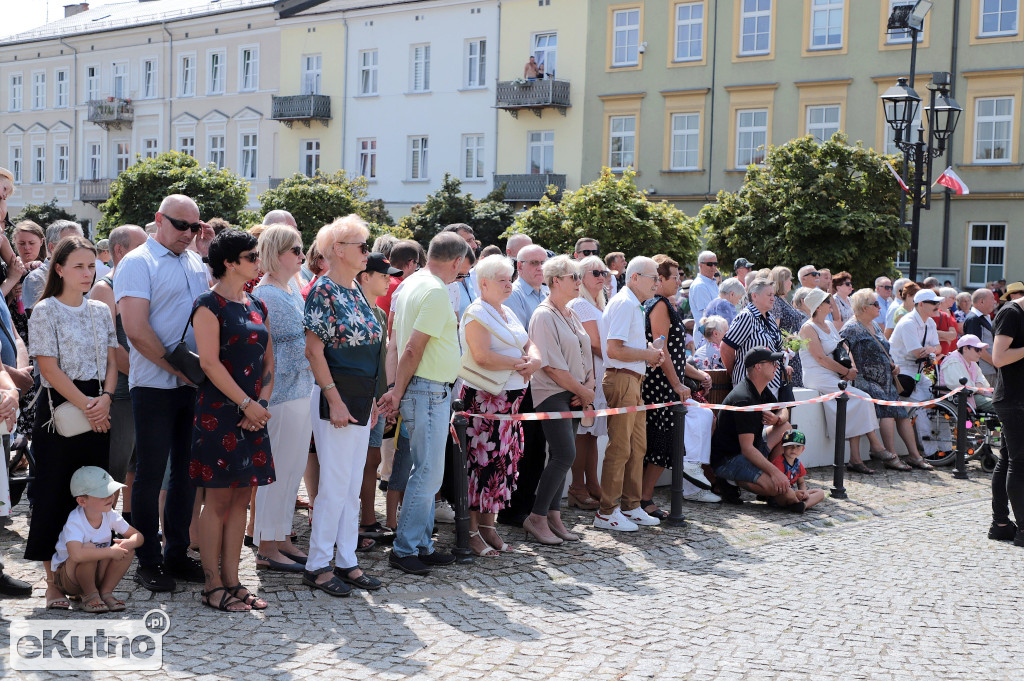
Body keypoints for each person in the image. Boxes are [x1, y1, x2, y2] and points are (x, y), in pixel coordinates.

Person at [114, 194, 214, 592]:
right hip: (155, 383)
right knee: (151, 473)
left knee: (188, 473)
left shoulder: (193, 260)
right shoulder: (138, 262)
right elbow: (135, 330)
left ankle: (176, 553)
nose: (188, 234)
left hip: (190, 381)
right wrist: (180, 369)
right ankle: (148, 559)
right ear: (158, 220)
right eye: (180, 225)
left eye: (195, 227)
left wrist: (195, 371)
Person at [26, 235, 119, 610]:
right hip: (60, 410)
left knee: (95, 493)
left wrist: (107, 399)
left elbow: (113, 361)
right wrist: (88, 406)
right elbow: (47, 366)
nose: (87, 272)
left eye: (91, 265)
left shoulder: (99, 310)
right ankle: (52, 583)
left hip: (99, 403)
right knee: (53, 495)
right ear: (59, 269)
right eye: (78, 266)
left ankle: (89, 579)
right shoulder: (44, 310)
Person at [191, 229, 275, 611]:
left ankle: (233, 579)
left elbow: (269, 360)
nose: (258, 261)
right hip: (220, 414)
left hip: (253, 412)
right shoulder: (208, 305)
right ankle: (212, 585)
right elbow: (208, 363)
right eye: (251, 256)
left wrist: (260, 403)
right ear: (229, 262)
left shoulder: (256, 303)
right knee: (219, 499)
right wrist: (245, 404)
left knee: (242, 496)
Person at [301, 216, 385, 594]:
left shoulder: (353, 291)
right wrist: (333, 399)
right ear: (338, 250)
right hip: (337, 396)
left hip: (360, 398)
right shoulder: (323, 290)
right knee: (334, 486)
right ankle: (318, 563)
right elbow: (314, 350)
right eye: (362, 246)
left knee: (351, 487)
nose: (368, 253)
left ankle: (347, 560)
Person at [378, 232, 466, 575]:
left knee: (425, 471)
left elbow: (397, 343)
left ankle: (422, 543)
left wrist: (396, 388)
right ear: (457, 262)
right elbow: (412, 347)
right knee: (427, 474)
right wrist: (397, 392)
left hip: (424, 389)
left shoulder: (412, 284)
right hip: (427, 390)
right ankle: (405, 548)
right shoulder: (434, 290)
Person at [459, 254, 541, 555]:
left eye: (510, 279)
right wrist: (519, 363)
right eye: (502, 280)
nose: (509, 285)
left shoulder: (506, 310)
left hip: (509, 403)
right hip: (485, 402)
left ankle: (488, 527)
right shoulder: (476, 312)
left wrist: (535, 359)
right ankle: (469, 531)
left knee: (501, 466)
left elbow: (528, 341)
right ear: (483, 283)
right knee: (480, 467)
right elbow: (480, 355)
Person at [251, 225, 315, 572]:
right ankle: (265, 545)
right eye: (295, 250)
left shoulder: (292, 289)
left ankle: (282, 537)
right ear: (276, 254)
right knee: (275, 472)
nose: (302, 256)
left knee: (291, 472)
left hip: (302, 388)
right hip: (280, 393)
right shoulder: (266, 294)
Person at [523, 256, 593, 544]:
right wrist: (583, 390)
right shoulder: (543, 315)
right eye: (573, 277)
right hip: (552, 392)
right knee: (565, 454)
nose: (579, 283)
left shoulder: (569, 312)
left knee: (562, 456)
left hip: (574, 393)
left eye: (579, 277)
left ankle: (553, 515)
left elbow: (583, 351)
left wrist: (585, 388)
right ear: (555, 281)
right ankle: (537, 516)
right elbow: (549, 365)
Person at [799, 288, 905, 474]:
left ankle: (855, 459)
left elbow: (843, 346)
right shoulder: (808, 328)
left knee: (856, 406)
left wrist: (852, 367)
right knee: (862, 399)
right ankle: (876, 445)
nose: (830, 303)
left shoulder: (829, 325)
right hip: (819, 376)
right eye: (826, 301)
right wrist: (846, 371)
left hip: (835, 375)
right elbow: (820, 358)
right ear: (818, 306)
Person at [641, 255, 718, 509]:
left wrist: (696, 375)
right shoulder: (659, 304)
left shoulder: (663, 303)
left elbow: (673, 354)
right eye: (674, 277)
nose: (679, 281)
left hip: (667, 379)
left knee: (665, 443)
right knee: (660, 444)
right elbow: (661, 351)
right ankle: (644, 499)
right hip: (661, 383)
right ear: (659, 279)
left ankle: (646, 497)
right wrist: (676, 384)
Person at [596, 256, 665, 531]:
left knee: (637, 447)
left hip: (631, 380)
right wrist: (649, 353)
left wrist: (647, 351)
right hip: (622, 380)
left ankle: (630, 505)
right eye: (653, 278)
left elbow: (622, 347)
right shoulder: (625, 303)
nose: (657, 284)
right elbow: (614, 350)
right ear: (634, 277)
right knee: (622, 448)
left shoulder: (631, 304)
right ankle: (607, 511)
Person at [89, 223, 148, 529]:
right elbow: (109, 347)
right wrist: (143, 372)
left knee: (135, 462)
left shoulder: (133, 285)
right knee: (115, 463)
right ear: (120, 251)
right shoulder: (104, 288)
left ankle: (127, 519)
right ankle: (101, 527)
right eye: (142, 247)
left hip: (139, 384)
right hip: (122, 388)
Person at [841, 288, 931, 471]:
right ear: (863, 308)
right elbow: (843, 352)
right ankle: (891, 456)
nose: (879, 307)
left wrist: (892, 363)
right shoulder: (851, 328)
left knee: (902, 414)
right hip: (865, 379)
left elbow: (884, 347)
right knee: (888, 413)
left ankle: (915, 455)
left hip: (886, 377)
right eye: (875, 304)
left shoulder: (873, 326)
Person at [710, 347, 803, 512]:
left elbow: (784, 409)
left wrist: (778, 418)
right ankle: (729, 481)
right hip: (729, 459)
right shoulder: (744, 398)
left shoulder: (759, 388)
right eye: (772, 363)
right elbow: (746, 449)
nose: (777, 366)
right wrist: (774, 473)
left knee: (786, 427)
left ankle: (773, 478)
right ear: (758, 367)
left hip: (750, 449)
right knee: (774, 488)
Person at [499, 243, 549, 527]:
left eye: (543, 262)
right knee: (521, 448)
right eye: (533, 263)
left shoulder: (545, 293)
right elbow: (521, 339)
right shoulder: (514, 295)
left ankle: (528, 506)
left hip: (542, 381)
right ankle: (512, 509)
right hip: (521, 381)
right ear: (519, 266)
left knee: (537, 449)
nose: (540, 268)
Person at [356, 252, 403, 548]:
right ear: (365, 277)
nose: (390, 281)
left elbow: (382, 358)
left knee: (373, 459)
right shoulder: (356, 309)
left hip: (376, 398)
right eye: (384, 275)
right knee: (358, 462)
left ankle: (368, 520)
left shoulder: (379, 312)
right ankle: (359, 523)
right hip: (359, 399)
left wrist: (386, 396)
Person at [51, 466, 143, 613]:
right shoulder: (75, 520)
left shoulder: (109, 514)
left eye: (110, 492)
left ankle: (105, 592)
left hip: (96, 573)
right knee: (88, 548)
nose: (110, 497)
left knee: (127, 550)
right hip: (69, 579)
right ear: (82, 501)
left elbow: (138, 536)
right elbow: (77, 555)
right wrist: (111, 552)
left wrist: (130, 542)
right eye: (103, 494)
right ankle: (90, 596)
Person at [566, 255, 610, 510]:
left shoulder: (596, 305)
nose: (601, 276)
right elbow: (593, 343)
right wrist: (617, 358)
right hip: (588, 378)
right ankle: (578, 487)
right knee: (583, 434)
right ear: (580, 277)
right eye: (595, 272)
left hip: (598, 377)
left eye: (603, 271)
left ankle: (592, 484)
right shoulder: (580, 304)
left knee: (591, 435)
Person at [889, 289, 945, 462]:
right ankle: (930, 451)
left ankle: (945, 448)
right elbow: (917, 353)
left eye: (938, 303)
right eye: (933, 303)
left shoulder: (930, 323)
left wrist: (929, 350)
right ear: (921, 304)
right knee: (921, 405)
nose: (938, 306)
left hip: (920, 370)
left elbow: (938, 348)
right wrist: (931, 350)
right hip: (902, 370)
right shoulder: (908, 323)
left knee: (937, 401)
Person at [990, 289, 1024, 544]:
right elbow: (999, 358)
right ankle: (1022, 530)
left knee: (1007, 461)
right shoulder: (1011, 312)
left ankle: (1000, 523)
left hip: (1017, 399)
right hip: (1013, 400)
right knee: (1019, 464)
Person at [721, 278, 787, 397]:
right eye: (769, 295)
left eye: (773, 294)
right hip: (750, 384)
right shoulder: (747, 317)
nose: (773, 298)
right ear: (754, 296)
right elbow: (726, 347)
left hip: (772, 383)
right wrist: (735, 372)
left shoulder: (770, 318)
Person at [22, 220, 84, 311]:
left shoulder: (84, 273)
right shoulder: (36, 278)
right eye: (69, 244)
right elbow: (38, 320)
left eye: (80, 243)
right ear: (52, 247)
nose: (77, 248)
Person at [770, 266, 808, 388]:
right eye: (789, 279)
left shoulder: (783, 300)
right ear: (781, 281)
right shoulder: (775, 301)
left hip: (794, 353)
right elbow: (775, 330)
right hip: (787, 355)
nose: (791, 282)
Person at [940, 334, 994, 413]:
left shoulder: (971, 361)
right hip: (959, 398)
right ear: (965, 348)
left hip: (971, 396)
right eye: (977, 349)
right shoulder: (953, 361)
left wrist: (979, 384)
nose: (980, 353)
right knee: (999, 406)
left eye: (981, 350)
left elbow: (981, 378)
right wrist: (977, 388)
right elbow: (959, 385)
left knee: (1002, 402)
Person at [772, 431, 825, 510]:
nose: (794, 449)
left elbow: (801, 482)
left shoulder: (798, 464)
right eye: (790, 445)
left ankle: (803, 505)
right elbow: (778, 485)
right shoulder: (779, 462)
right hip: (780, 494)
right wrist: (794, 494)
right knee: (788, 494)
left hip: (794, 493)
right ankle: (796, 503)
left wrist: (804, 492)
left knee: (820, 492)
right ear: (783, 447)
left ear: (802, 449)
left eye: (798, 446)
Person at [964, 288, 997, 385]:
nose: (995, 301)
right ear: (982, 301)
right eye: (992, 298)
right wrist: (996, 363)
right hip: (984, 372)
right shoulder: (974, 319)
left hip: (989, 370)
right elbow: (976, 348)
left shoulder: (983, 317)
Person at [688, 251, 719, 346]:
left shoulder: (710, 282)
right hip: (707, 338)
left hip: (714, 336)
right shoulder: (700, 285)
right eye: (710, 264)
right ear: (700, 265)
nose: (713, 267)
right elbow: (707, 317)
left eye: (715, 264)